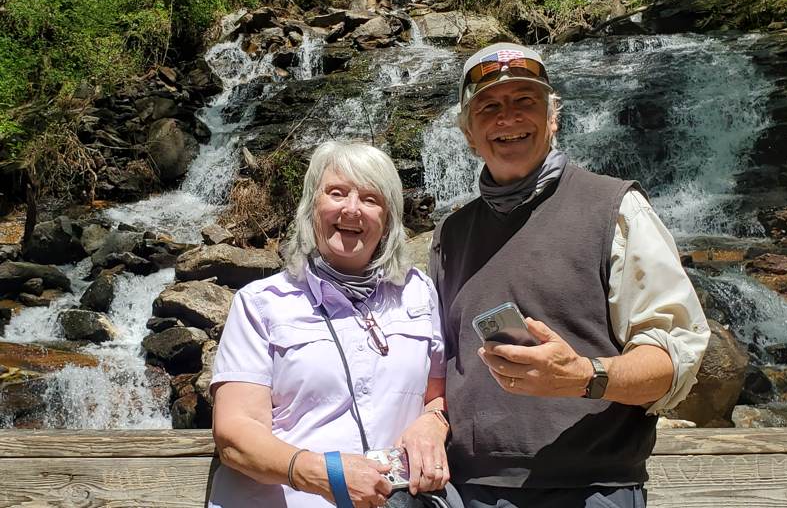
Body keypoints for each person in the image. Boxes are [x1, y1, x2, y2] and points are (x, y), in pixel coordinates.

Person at [428, 43, 710, 508]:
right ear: (469, 133)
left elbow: (673, 358)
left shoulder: (617, 208)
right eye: (489, 107)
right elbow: (437, 362)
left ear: (553, 117)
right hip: (467, 490)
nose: (508, 118)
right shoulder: (450, 234)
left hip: (590, 489)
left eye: (525, 101)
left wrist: (584, 375)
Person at [209, 141, 451, 508]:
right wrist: (326, 475)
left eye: (371, 199)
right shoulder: (261, 303)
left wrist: (434, 422)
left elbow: (436, 394)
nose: (351, 209)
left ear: (388, 220)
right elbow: (235, 434)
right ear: (311, 207)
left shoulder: (418, 292)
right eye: (337, 193)